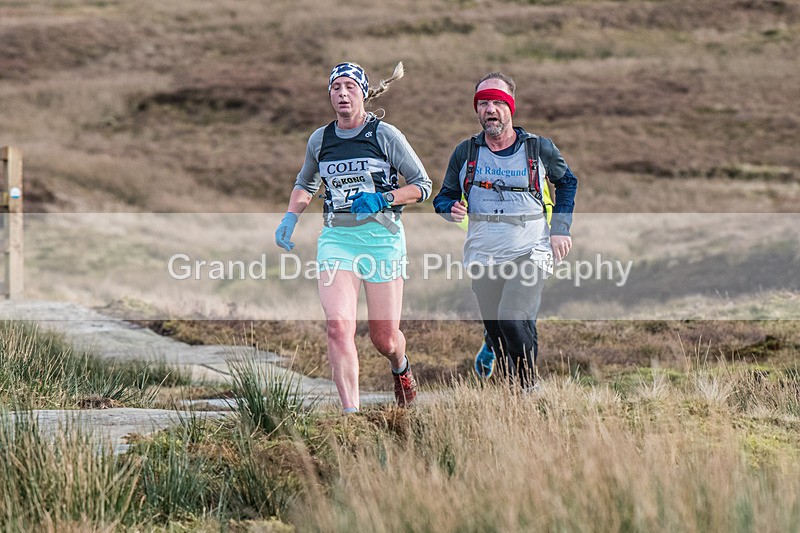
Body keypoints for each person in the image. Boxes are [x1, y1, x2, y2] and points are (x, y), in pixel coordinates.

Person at [275, 62, 432, 413]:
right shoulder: (321, 139)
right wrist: (290, 216)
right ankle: (351, 414)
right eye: (336, 88)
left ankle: (401, 368)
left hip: (382, 239)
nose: (342, 93)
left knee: (385, 339)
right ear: (329, 94)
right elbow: (305, 183)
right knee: (337, 327)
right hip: (337, 240)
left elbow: (422, 186)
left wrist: (383, 198)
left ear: (363, 92)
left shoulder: (385, 135)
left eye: (349, 87)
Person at [433, 72, 578, 389]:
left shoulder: (538, 148)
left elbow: (567, 182)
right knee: (500, 333)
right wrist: (449, 208)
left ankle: (528, 387)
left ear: (511, 108)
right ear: (477, 110)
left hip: (531, 248)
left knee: (512, 317)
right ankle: (511, 388)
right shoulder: (465, 153)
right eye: (483, 103)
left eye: (498, 102)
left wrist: (560, 229)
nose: (490, 109)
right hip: (484, 252)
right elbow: (442, 197)